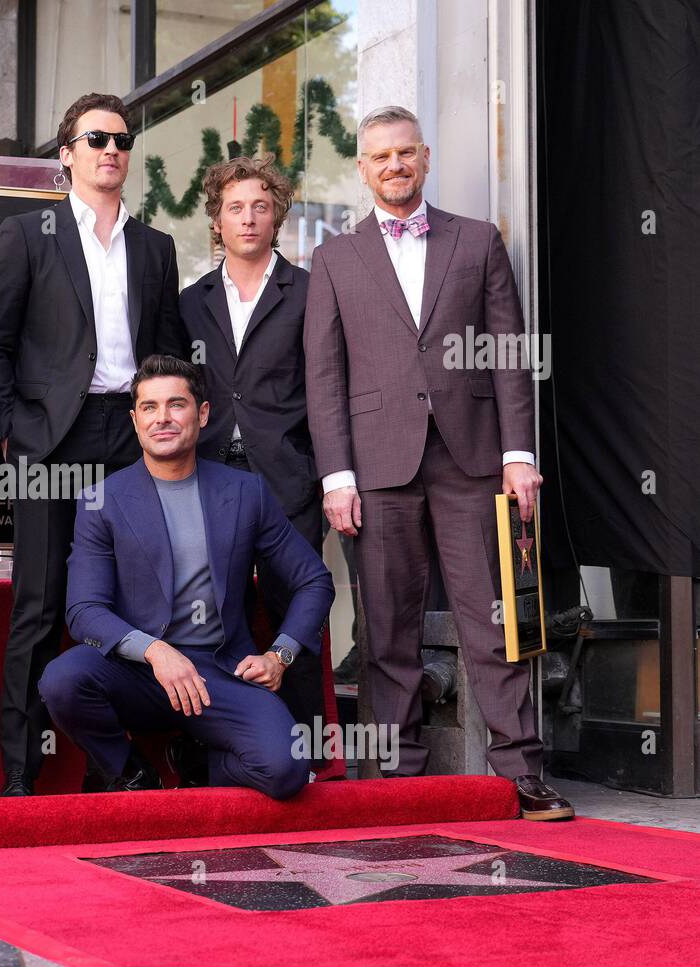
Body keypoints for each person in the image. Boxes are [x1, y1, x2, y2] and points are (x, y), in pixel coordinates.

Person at [304, 105, 573, 821]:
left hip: (473, 459)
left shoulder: (479, 241)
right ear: (362, 169)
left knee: (495, 622)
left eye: (404, 153)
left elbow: (510, 354)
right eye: (379, 157)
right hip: (376, 465)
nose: (393, 165)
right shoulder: (332, 259)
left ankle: (520, 775)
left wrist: (519, 456)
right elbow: (324, 377)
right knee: (386, 629)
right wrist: (336, 476)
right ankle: (398, 788)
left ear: (424, 158)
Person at [0, 92, 185, 796]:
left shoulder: (156, 248)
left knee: (133, 605)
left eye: (122, 140)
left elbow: (166, 358)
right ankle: (20, 775)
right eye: (95, 138)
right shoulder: (26, 233)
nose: (111, 150)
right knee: (38, 604)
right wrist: (9, 433)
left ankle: (118, 772)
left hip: (132, 440)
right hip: (50, 441)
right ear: (65, 154)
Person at [38, 355, 334, 795]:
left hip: (221, 673)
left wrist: (279, 656)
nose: (163, 418)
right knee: (62, 680)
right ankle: (132, 773)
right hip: (137, 673)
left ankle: (198, 761)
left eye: (176, 405)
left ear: (203, 414)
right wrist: (156, 651)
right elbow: (84, 610)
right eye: (150, 407)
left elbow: (314, 580)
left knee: (287, 771)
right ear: (135, 419)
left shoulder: (245, 492)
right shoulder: (102, 500)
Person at [179, 155, 324, 782]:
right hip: (210, 475)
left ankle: (307, 758)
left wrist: (329, 473)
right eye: (235, 207)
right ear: (217, 220)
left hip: (287, 473)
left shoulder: (311, 292)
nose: (248, 217)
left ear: (278, 216)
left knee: (297, 610)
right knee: (217, 612)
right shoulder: (189, 302)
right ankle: (221, 753)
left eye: (260, 206)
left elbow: (326, 387)